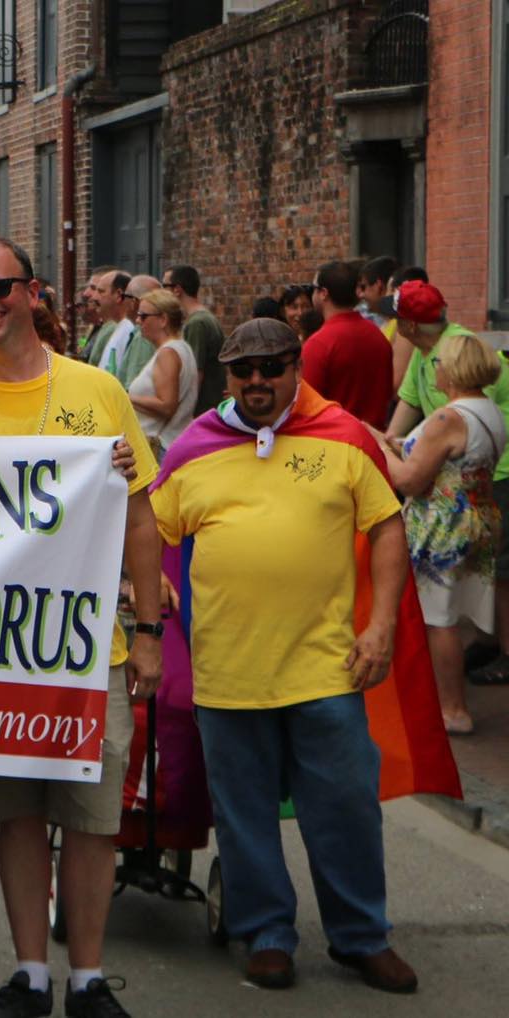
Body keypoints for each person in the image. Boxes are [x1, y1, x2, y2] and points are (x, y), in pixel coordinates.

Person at [150, 317, 417, 996]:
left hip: (326, 667)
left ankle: (361, 937)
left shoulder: (345, 436)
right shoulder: (193, 446)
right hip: (227, 670)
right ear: (226, 376)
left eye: (272, 367)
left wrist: (380, 625)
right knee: (242, 815)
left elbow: (386, 526)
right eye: (244, 370)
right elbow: (149, 528)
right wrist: (146, 579)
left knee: (346, 808)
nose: (258, 382)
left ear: (297, 367)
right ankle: (266, 932)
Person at [0, 235, 162, 1018]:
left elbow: (141, 515)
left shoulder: (98, 389)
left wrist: (148, 631)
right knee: (17, 813)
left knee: (90, 820)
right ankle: (31, 971)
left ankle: (89, 977)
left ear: (32, 291)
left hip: (88, 647)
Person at [372, 332, 505, 735]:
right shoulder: (488, 409)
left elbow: (411, 482)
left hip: (441, 525)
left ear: (454, 368)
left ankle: (453, 709)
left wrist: (377, 449)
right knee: (449, 612)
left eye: (440, 362)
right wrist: (395, 444)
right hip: (477, 516)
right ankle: (445, 701)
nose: (436, 368)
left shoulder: (449, 417)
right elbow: (451, 462)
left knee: (439, 618)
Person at [302, 261, 394, 427]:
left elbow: (306, 407)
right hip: (375, 440)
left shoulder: (318, 344)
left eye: (313, 288)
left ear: (323, 293)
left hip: (334, 441)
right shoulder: (378, 337)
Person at [126, 288, 199, 456]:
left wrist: (126, 396)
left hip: (161, 447)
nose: (138, 321)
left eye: (143, 316)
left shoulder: (168, 353)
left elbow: (166, 406)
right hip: (169, 443)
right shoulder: (180, 348)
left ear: (163, 319)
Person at [163, 265, 226, 415]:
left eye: (164, 286)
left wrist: (183, 413)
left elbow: (194, 373)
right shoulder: (204, 319)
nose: (161, 292)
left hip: (202, 412)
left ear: (177, 289)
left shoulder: (197, 323)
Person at [112, 275, 161, 388]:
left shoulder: (143, 337)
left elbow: (134, 386)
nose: (122, 301)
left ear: (133, 302)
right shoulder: (156, 333)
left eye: (124, 296)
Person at [87, 272, 133, 376]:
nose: (94, 297)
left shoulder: (130, 330)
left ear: (118, 294)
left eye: (101, 291)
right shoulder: (119, 327)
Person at [357, 255, 399, 330]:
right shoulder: (395, 325)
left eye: (363, 287)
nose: (360, 295)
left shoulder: (400, 329)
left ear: (379, 286)